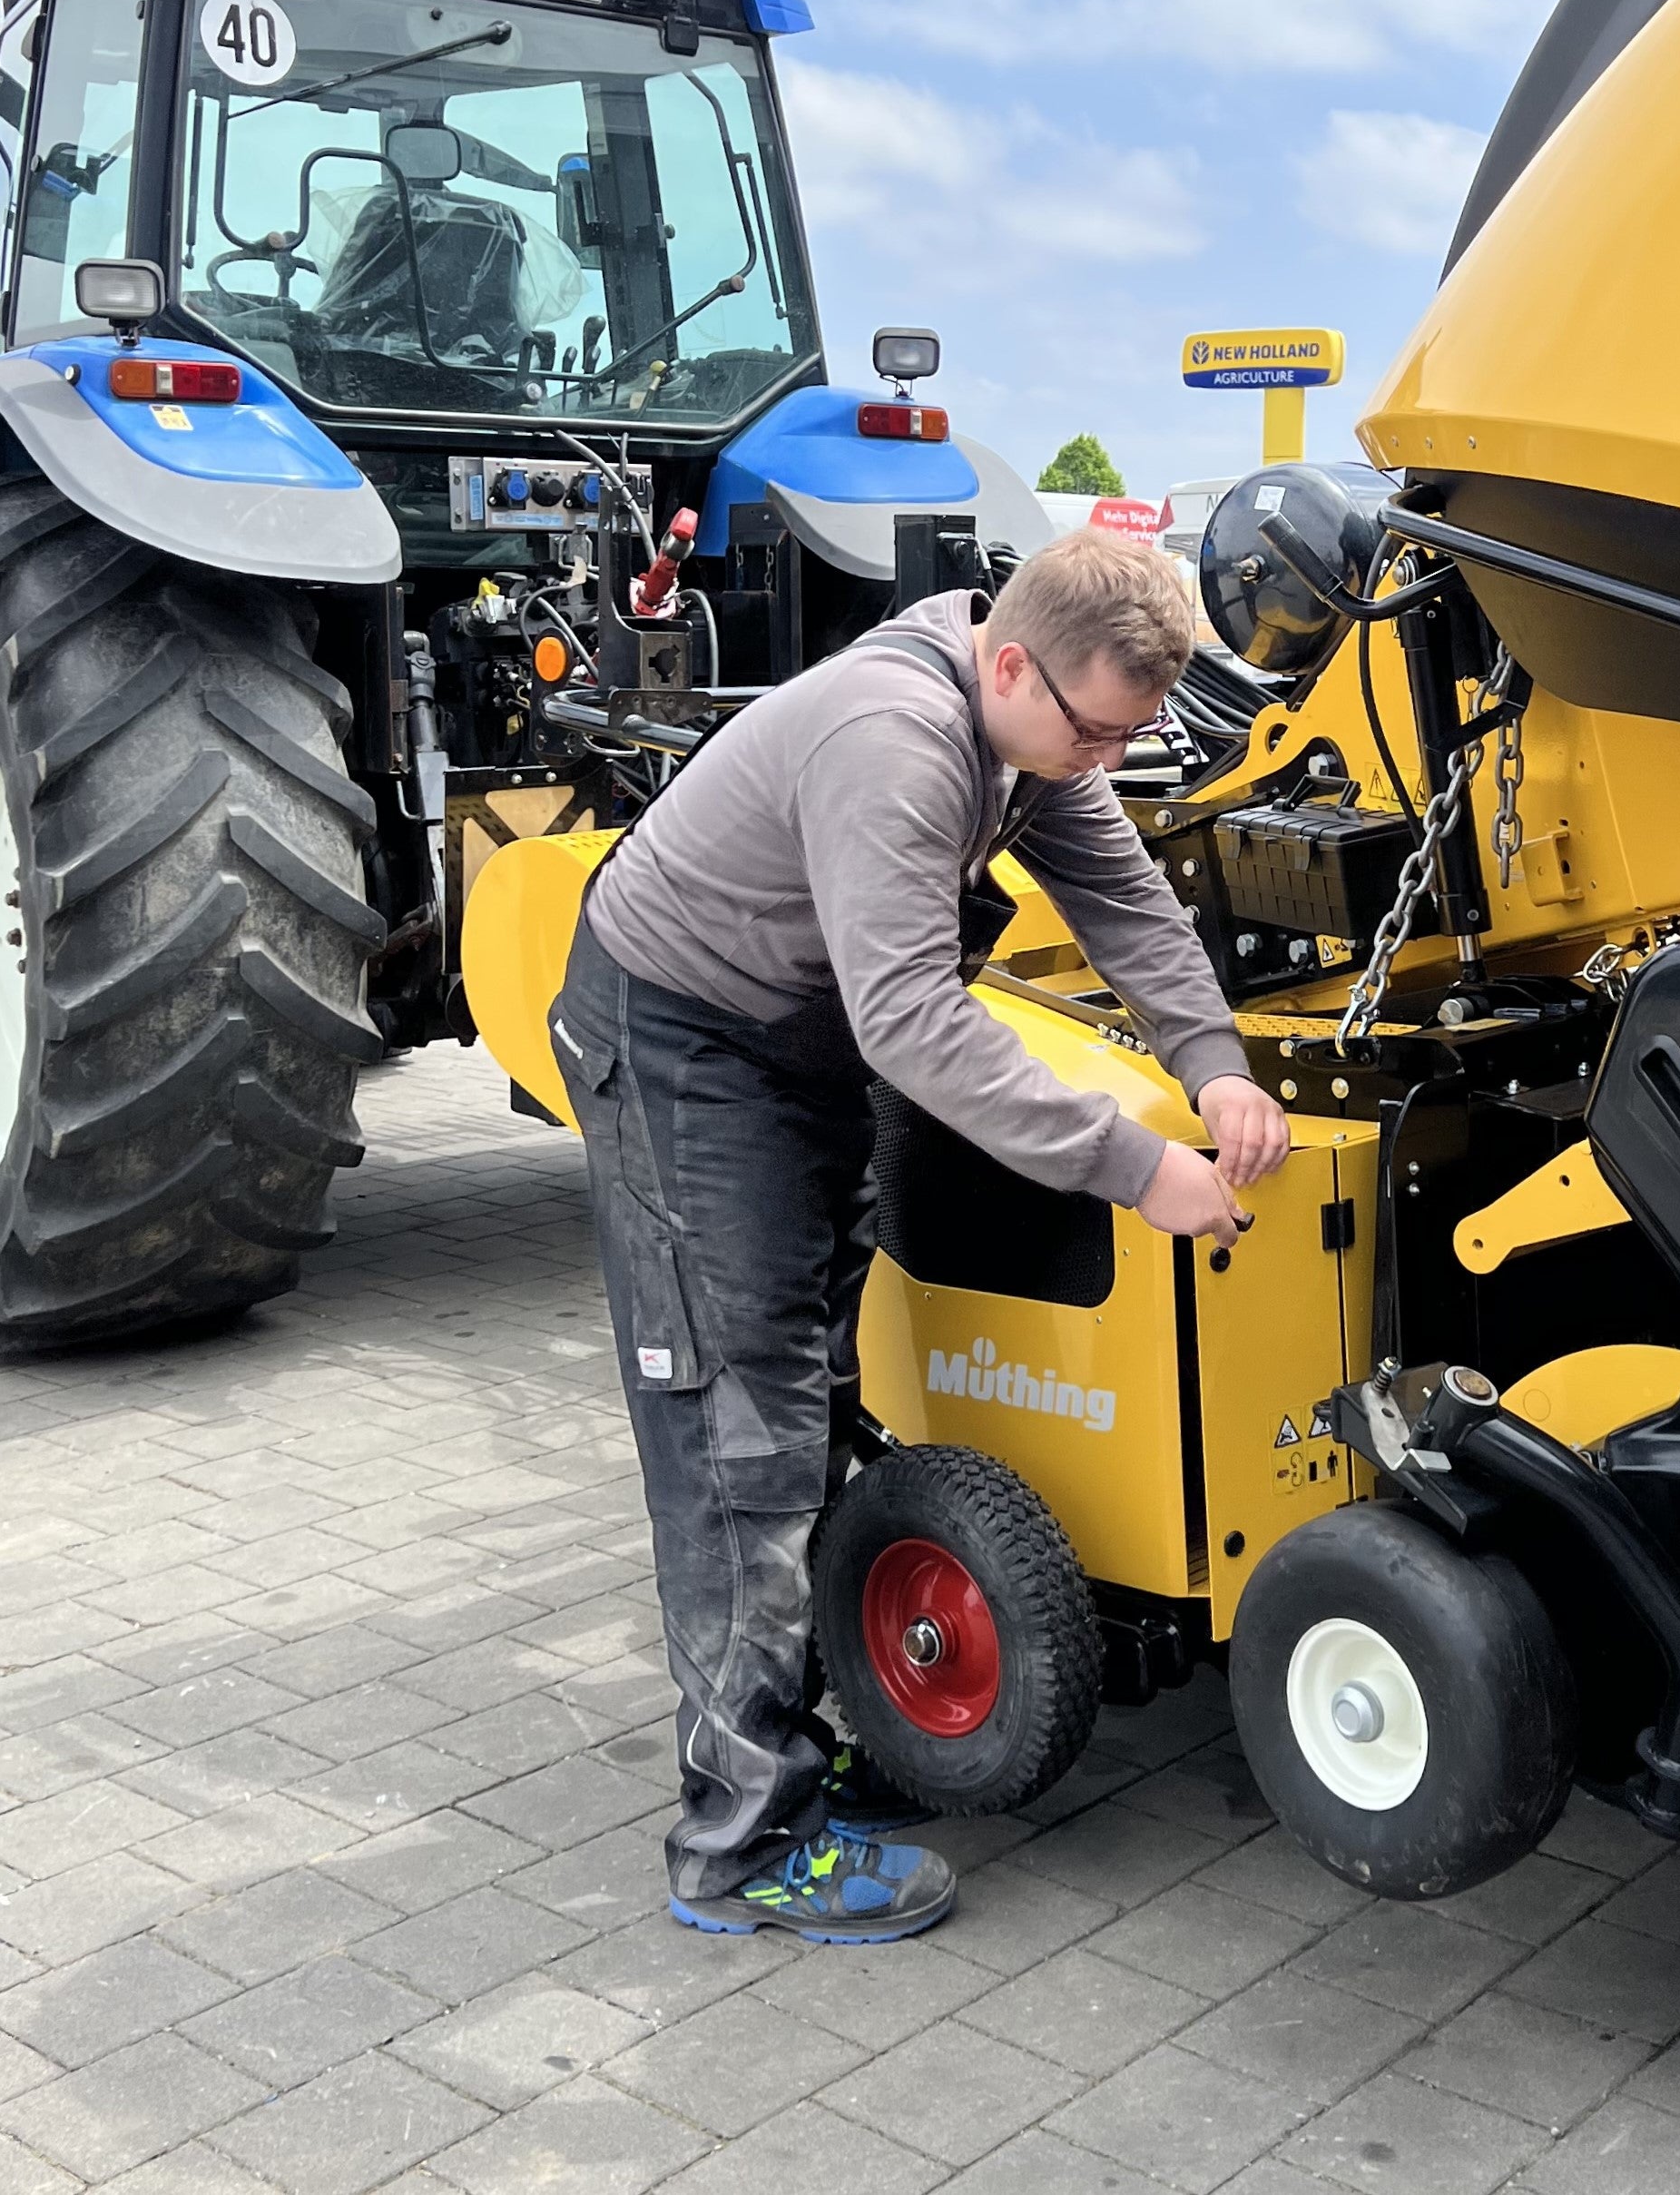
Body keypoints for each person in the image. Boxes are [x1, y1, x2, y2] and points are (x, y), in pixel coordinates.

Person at [552, 529, 1289, 1944]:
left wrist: (1216, 1065)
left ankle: (785, 1738)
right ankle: (741, 1839)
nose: (1103, 765)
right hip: (683, 1043)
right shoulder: (897, 741)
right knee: (737, 1428)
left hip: (791, 1038)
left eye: (1130, 740)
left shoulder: (1030, 725)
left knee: (810, 1391)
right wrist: (1135, 1167)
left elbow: (1124, 899)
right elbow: (911, 1021)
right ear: (1010, 661)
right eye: (1095, 732)